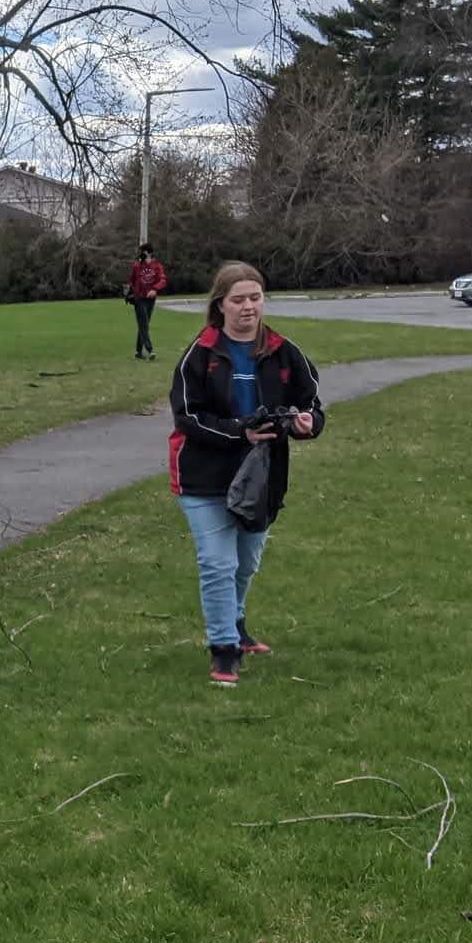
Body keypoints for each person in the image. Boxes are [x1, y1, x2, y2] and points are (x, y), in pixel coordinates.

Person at [168, 262, 325, 687]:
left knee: (245, 562)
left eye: (255, 297)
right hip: (203, 475)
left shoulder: (284, 351)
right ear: (220, 305)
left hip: (261, 477)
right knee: (217, 563)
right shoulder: (200, 354)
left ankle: (235, 623)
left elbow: (311, 404)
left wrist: (306, 423)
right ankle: (224, 650)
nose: (248, 307)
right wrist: (241, 432)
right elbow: (187, 417)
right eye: (238, 299)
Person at [127, 245, 168, 360]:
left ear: (149, 253)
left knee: (143, 324)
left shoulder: (157, 266)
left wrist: (155, 289)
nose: (140, 254)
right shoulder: (137, 265)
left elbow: (163, 280)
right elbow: (131, 280)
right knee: (144, 324)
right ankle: (150, 350)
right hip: (139, 299)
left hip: (150, 300)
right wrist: (131, 292)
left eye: (142, 252)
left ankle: (138, 352)